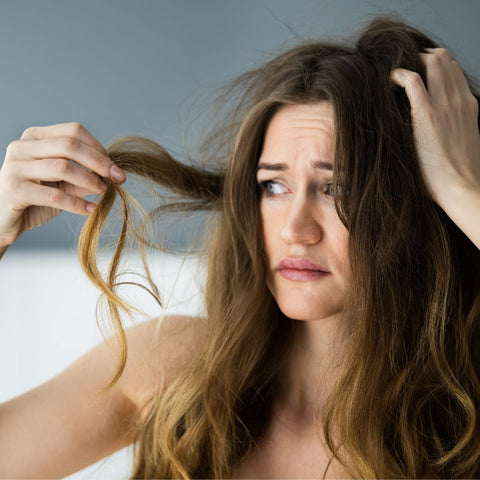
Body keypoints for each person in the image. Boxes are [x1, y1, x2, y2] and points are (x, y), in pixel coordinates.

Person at [0, 15, 479, 479]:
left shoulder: (464, 421)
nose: (295, 229)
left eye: (340, 189)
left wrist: (462, 189)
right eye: (273, 186)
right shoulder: (179, 372)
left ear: (422, 200)